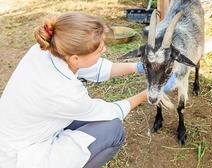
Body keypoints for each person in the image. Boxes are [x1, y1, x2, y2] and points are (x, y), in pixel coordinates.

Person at [0, 12, 176, 168]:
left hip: (21, 133)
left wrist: (141, 67)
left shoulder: (51, 48)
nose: (105, 50)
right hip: (21, 157)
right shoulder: (64, 91)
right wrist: (148, 94)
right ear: (75, 59)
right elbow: (111, 111)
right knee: (113, 129)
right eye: (100, 50)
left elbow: (99, 68)